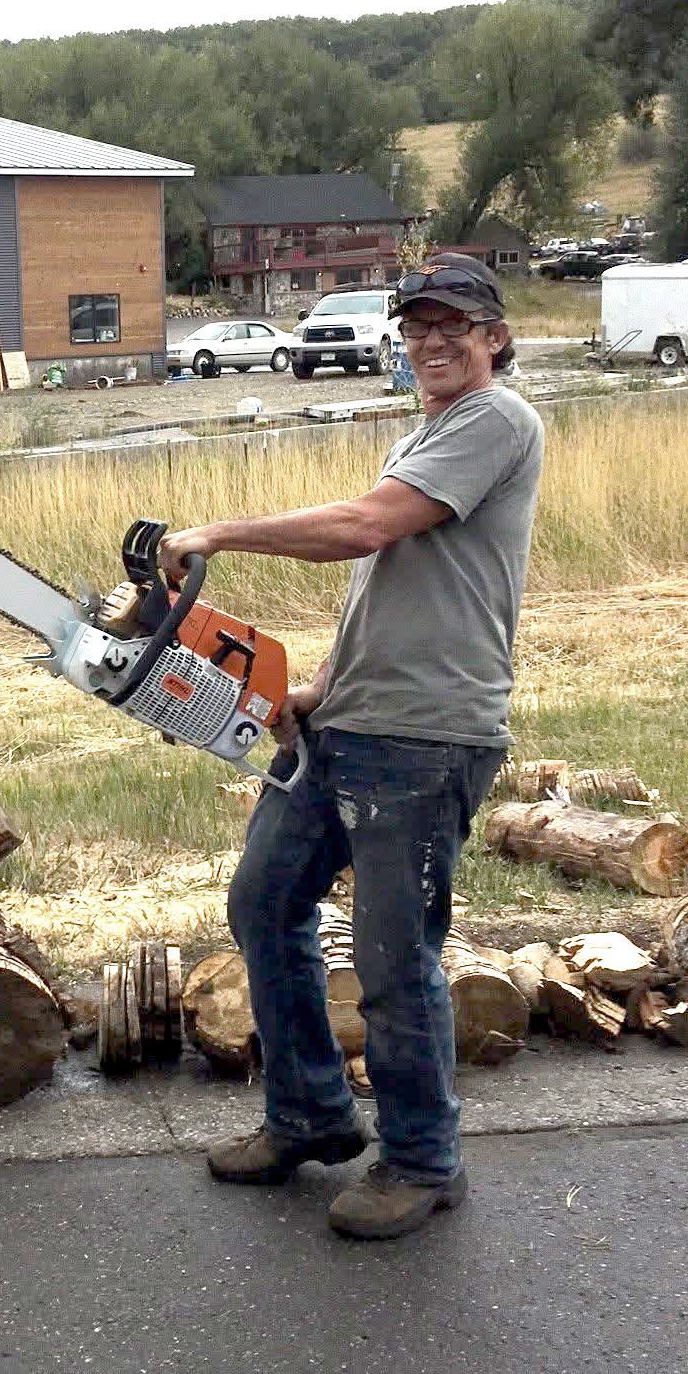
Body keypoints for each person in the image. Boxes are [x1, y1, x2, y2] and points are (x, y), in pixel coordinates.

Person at [158, 253, 544, 1241]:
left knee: (390, 957)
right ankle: (310, 1115)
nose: (432, 340)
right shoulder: (434, 431)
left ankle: (422, 1160)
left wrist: (217, 534)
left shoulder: (497, 421)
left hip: (424, 742)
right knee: (266, 901)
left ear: (494, 337)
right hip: (350, 727)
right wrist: (313, 690)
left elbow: (365, 530)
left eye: (453, 324)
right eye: (416, 324)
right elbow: (395, 590)